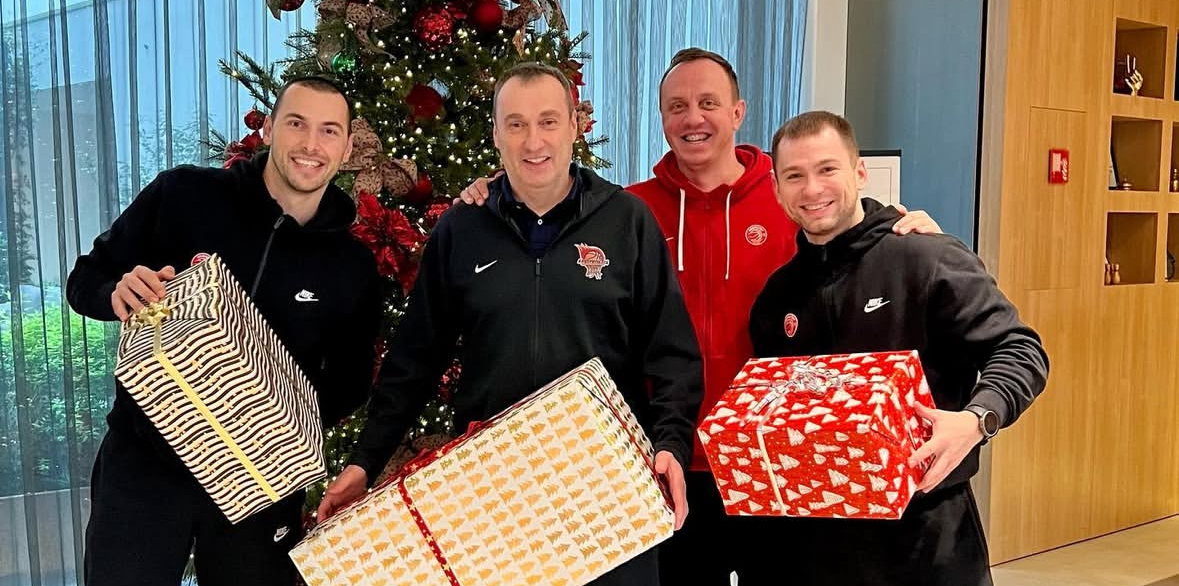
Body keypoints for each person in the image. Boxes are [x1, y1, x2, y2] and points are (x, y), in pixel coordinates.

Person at [457, 48, 944, 584]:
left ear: (737, 112)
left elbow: (848, 243)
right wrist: (490, 192)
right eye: (677, 106)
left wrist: (894, 226)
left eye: (708, 103)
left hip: (774, 459)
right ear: (662, 118)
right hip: (666, 463)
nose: (693, 118)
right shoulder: (625, 213)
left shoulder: (787, 200)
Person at [316, 62, 704, 586]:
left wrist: (671, 445)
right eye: (516, 124)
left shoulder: (627, 221)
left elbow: (673, 354)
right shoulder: (462, 229)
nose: (533, 141)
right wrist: (364, 463)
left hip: (608, 487)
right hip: (494, 493)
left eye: (548, 121)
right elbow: (414, 360)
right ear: (496, 133)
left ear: (574, 126)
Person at [66, 77, 381, 586]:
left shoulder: (353, 266)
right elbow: (85, 280)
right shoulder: (183, 194)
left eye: (329, 131)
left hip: (259, 486)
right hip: (144, 465)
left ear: (347, 149)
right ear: (270, 128)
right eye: (296, 123)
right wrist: (115, 292)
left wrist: (270, 420)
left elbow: (351, 382)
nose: (310, 144)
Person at [747, 110, 1049, 586]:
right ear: (777, 189)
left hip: (927, 536)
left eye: (827, 169)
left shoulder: (927, 257)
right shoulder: (777, 296)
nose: (812, 189)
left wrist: (977, 420)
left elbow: (1019, 349)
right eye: (795, 176)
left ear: (860, 172)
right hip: (814, 543)